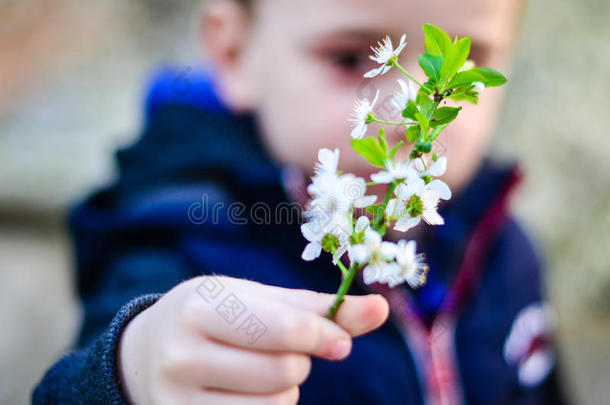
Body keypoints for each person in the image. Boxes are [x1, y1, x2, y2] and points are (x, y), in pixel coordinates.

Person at [33, 0, 568, 404]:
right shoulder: (184, 238)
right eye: (354, 58)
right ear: (234, 53)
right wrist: (133, 369)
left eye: (464, 67)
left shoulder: (506, 253)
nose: (409, 115)